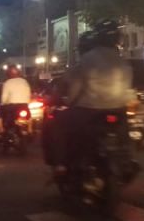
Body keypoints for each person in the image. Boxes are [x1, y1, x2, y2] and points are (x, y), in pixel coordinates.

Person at [50, 19, 135, 177]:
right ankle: (127, 160)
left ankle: (61, 164)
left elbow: (75, 87)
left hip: (89, 110)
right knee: (124, 137)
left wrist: (70, 103)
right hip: (118, 109)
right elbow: (127, 88)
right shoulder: (122, 61)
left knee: (59, 124)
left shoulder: (88, 59)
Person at [0, 65, 32, 134]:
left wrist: (2, 103)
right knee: (29, 116)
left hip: (12, 107)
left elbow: (4, 98)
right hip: (24, 105)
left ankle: (1, 130)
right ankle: (30, 129)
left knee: (0, 114)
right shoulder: (24, 82)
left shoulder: (7, 83)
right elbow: (29, 94)